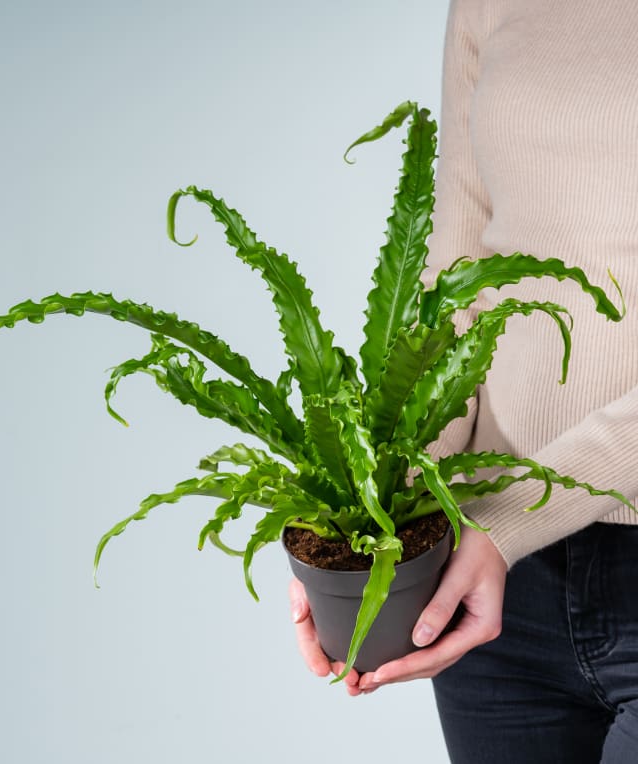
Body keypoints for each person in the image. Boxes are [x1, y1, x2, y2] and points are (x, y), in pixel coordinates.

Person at [289, 0, 638, 760]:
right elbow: (456, 268)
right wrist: (369, 527)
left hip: (500, 539)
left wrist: (506, 525)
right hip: (497, 584)